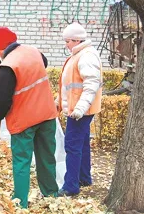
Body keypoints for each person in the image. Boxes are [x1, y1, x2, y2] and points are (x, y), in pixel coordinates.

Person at [0, 27, 58, 208]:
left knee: (22, 162)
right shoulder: (34, 51)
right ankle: (51, 196)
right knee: (46, 158)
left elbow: (3, 98)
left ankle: (20, 203)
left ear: (1, 47)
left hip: (24, 121)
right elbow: (43, 64)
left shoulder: (7, 66)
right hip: (47, 114)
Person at [57, 22, 102, 196]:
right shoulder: (79, 54)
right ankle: (84, 178)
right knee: (82, 143)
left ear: (76, 40)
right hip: (79, 109)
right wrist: (59, 101)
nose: (66, 44)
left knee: (72, 145)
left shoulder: (86, 56)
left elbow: (91, 84)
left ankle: (71, 186)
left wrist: (80, 108)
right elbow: (69, 85)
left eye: (67, 41)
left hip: (79, 111)